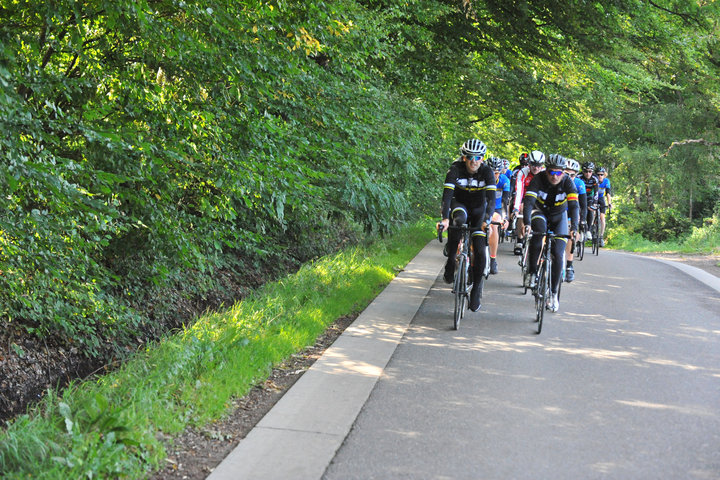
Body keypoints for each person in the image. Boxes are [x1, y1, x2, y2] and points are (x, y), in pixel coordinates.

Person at [439, 139, 496, 312]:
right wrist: (444, 219)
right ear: (464, 157)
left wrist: (487, 219)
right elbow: (447, 196)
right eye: (470, 156)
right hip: (460, 205)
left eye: (478, 157)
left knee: (479, 249)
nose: (474, 160)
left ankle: (477, 289)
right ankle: (450, 261)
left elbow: (492, 199)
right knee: (458, 222)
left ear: (482, 158)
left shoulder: (487, 172)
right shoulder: (455, 169)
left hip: (479, 210)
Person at [522, 154, 579, 313]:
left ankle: (553, 294)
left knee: (558, 253)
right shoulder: (538, 179)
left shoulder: (568, 181)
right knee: (538, 234)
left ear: (563, 172)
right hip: (539, 212)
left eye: (558, 173)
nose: (555, 177)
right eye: (551, 173)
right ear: (546, 171)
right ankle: (532, 272)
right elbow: (528, 203)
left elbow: (574, 206)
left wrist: (574, 228)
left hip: (558, 216)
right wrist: (527, 223)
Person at [512, 151, 545, 255]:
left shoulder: (545, 174)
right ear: (529, 164)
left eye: (539, 165)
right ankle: (520, 241)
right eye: (533, 165)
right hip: (525, 198)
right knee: (522, 209)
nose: (536, 168)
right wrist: (516, 208)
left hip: (539, 199)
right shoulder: (523, 172)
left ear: (542, 166)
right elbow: (519, 192)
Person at [563, 159, 587, 282]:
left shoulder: (579, 184)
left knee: (571, 236)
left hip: (572, 213)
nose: (570, 177)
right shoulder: (557, 181)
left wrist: (581, 222)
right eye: (566, 174)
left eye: (572, 175)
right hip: (558, 211)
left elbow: (583, 205)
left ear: (576, 175)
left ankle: (569, 265)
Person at [487, 156, 510, 274]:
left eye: (497, 173)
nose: (494, 176)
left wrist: (505, 217)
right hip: (483, 207)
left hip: (497, 208)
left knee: (494, 225)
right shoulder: (482, 178)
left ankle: (493, 259)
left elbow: (504, 201)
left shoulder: (504, 180)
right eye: (492, 172)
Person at [580, 161, 600, 239]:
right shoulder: (579, 177)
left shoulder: (595, 178)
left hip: (590, 197)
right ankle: (581, 229)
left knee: (591, 209)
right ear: (583, 171)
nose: (588, 173)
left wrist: (594, 202)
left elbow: (596, 192)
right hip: (580, 196)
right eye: (585, 171)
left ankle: (588, 230)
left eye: (590, 171)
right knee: (579, 210)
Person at [595, 166, 612, 246]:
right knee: (592, 213)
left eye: (601, 174)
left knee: (602, 218)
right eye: (598, 175)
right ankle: (591, 229)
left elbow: (608, 193)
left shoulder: (606, 181)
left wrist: (609, 203)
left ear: (604, 175)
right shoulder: (594, 180)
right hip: (593, 198)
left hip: (601, 198)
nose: (600, 176)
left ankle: (601, 237)